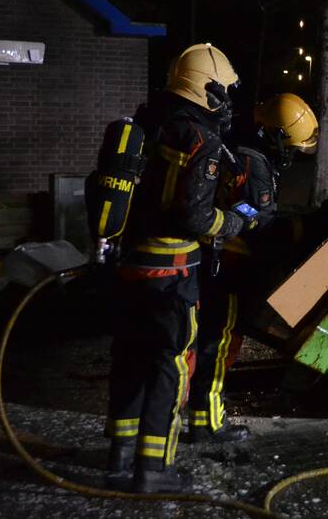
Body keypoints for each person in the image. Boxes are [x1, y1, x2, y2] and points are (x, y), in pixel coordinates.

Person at [104, 43, 254, 493]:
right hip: (172, 272)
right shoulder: (200, 139)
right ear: (207, 89)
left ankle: (119, 456)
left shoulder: (150, 123)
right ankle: (154, 469)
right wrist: (233, 221)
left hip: (130, 264)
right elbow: (195, 217)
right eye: (222, 91)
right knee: (171, 363)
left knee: (130, 356)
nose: (226, 101)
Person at [187, 93, 318, 443]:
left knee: (212, 339)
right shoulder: (252, 162)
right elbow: (253, 217)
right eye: (289, 144)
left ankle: (199, 411)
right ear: (274, 134)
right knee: (219, 340)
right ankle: (208, 421)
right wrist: (295, 229)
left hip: (217, 261)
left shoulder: (240, 149)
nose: (291, 153)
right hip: (227, 264)